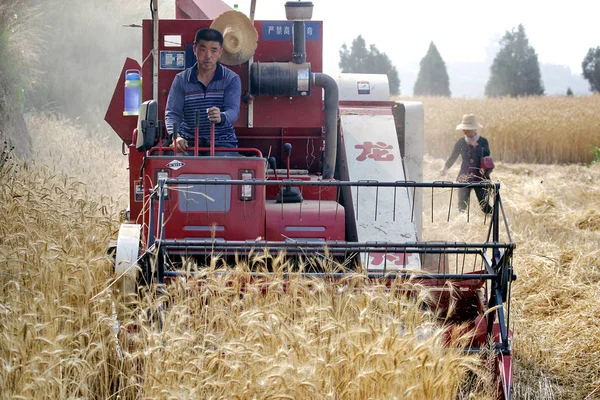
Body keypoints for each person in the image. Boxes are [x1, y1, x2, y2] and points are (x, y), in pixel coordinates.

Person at [165, 28, 242, 155]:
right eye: (203, 49)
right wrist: (176, 137)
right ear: (195, 49)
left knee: (222, 169)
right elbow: (172, 113)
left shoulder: (231, 79)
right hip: (188, 143)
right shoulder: (181, 79)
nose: (208, 56)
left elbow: (233, 111)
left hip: (222, 143)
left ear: (220, 52)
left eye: (213, 50)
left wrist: (221, 117)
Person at [440, 114, 492, 214]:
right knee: (461, 206)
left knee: (484, 205)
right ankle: (462, 224)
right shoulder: (460, 142)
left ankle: (493, 220)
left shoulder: (483, 141)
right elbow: (453, 156)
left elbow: (487, 155)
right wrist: (445, 168)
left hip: (480, 177)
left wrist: (475, 145)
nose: (466, 131)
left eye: (468, 129)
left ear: (474, 129)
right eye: (464, 129)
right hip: (464, 176)